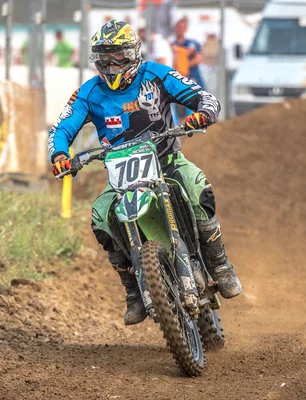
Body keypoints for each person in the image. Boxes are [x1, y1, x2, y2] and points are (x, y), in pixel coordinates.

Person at [49, 20, 242, 326]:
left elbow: (201, 96)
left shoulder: (156, 74)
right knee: (101, 217)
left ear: (134, 53)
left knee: (196, 188)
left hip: (167, 161)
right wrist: (60, 154)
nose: (112, 65)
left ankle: (220, 265)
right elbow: (62, 128)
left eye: (119, 56)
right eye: (104, 57)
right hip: (121, 176)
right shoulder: (88, 93)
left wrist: (203, 112)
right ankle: (134, 291)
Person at [172, 17, 206, 90]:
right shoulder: (172, 45)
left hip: (192, 77)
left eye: (182, 27)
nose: (179, 30)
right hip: (178, 79)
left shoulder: (191, 44)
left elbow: (198, 59)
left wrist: (184, 64)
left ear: (185, 29)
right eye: (178, 27)